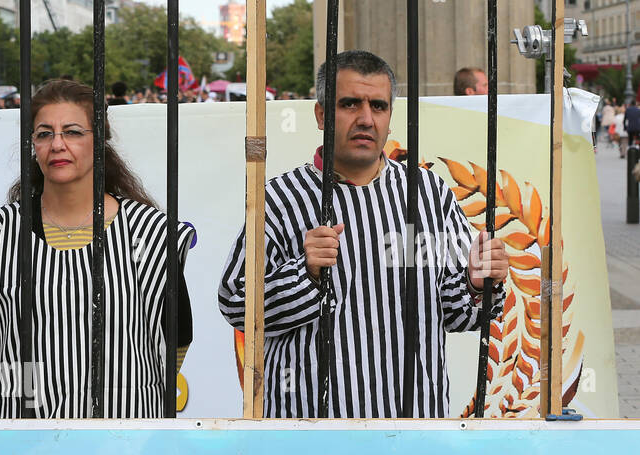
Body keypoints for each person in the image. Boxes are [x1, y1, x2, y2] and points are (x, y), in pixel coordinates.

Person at [219, 50, 510, 418]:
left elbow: (455, 312)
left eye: (378, 106)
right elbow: (235, 302)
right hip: (313, 425)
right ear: (322, 114)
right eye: (350, 104)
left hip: (413, 419)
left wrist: (476, 282)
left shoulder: (428, 194)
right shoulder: (280, 198)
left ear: (390, 116)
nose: (366, 119)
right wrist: (303, 273)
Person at [0, 78, 195, 419]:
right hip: (22, 447)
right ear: (32, 145)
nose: (58, 144)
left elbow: (178, 338)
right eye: (44, 133)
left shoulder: (153, 235)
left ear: (100, 142)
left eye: (74, 132)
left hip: (126, 441)